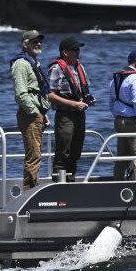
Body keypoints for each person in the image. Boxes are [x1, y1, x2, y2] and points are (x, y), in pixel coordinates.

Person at [47, 37, 94, 182]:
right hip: (66, 116)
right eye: (75, 50)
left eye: (78, 49)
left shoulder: (80, 67)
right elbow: (50, 95)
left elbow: (81, 90)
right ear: (65, 52)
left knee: (75, 152)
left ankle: (71, 182)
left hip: (80, 115)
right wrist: (73, 104)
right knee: (63, 152)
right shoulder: (57, 68)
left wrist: (87, 100)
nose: (78, 52)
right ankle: (58, 186)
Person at [10, 30, 51, 190]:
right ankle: (29, 192)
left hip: (37, 113)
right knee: (33, 156)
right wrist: (34, 112)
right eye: (34, 41)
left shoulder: (33, 62)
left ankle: (32, 188)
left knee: (36, 155)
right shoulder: (21, 64)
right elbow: (21, 94)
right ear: (25, 44)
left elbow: (37, 91)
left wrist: (43, 114)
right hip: (30, 115)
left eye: (39, 41)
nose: (38, 44)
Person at [108, 49, 136, 181]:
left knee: (122, 157)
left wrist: (118, 117)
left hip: (119, 121)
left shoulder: (117, 77)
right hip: (134, 123)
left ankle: (117, 184)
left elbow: (111, 102)